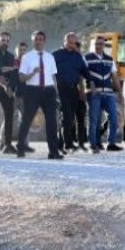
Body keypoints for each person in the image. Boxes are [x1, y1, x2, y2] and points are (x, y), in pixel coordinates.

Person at [17, 30, 62, 159]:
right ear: (33, 40)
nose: (39, 41)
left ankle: (53, 151)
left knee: (52, 122)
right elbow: (21, 78)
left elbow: (53, 76)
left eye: (41, 39)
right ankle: (20, 148)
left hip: (49, 91)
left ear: (44, 41)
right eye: (36, 39)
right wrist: (33, 73)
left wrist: (56, 91)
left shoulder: (50, 57)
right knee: (26, 119)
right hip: (33, 90)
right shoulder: (27, 57)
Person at [85, 36, 123, 153]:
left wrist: (120, 93)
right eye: (97, 44)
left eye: (101, 44)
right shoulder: (87, 58)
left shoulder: (109, 60)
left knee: (114, 117)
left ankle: (111, 143)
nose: (99, 46)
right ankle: (92, 145)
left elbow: (114, 77)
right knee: (94, 120)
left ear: (104, 46)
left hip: (108, 94)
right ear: (93, 45)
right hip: (94, 94)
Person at [52, 33, 89, 153]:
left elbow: (85, 72)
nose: (71, 45)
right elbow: (49, 71)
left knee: (70, 118)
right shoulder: (56, 55)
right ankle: (68, 144)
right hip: (60, 89)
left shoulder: (77, 57)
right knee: (66, 117)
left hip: (73, 90)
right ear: (64, 41)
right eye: (69, 42)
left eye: (73, 43)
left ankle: (60, 143)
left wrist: (92, 82)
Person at [0, 32, 19, 155]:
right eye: (3, 40)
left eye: (7, 40)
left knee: (9, 116)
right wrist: (6, 69)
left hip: (6, 89)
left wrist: (10, 88)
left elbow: (12, 73)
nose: (5, 42)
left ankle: (7, 144)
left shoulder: (10, 56)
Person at [12, 41, 33, 154]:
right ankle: (4, 144)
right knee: (9, 120)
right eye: (20, 49)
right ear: (16, 50)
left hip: (26, 96)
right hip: (14, 95)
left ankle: (25, 144)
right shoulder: (12, 62)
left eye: (24, 50)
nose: (22, 52)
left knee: (26, 121)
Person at [73, 40, 89, 150]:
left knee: (81, 119)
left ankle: (81, 142)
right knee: (68, 119)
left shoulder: (83, 60)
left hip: (81, 93)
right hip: (68, 92)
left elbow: (85, 77)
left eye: (77, 49)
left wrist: (84, 92)